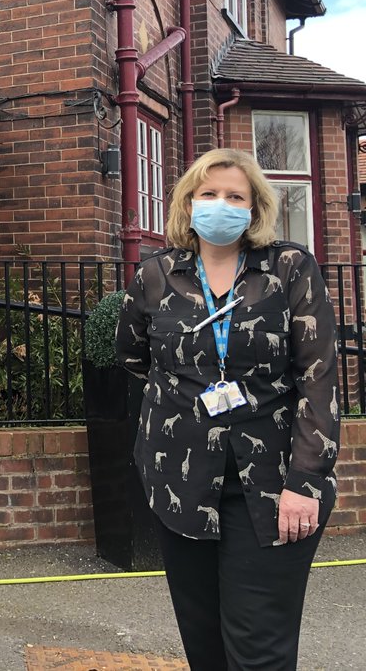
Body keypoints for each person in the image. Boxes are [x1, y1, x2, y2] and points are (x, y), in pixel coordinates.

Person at [116, 148, 339, 670]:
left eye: (235, 195)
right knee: (204, 644)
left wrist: (305, 483)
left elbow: (319, 379)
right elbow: (132, 356)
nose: (221, 204)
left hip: (274, 485)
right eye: (208, 194)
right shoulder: (154, 275)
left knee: (258, 650)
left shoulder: (289, 269)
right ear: (187, 203)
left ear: (255, 206)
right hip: (180, 480)